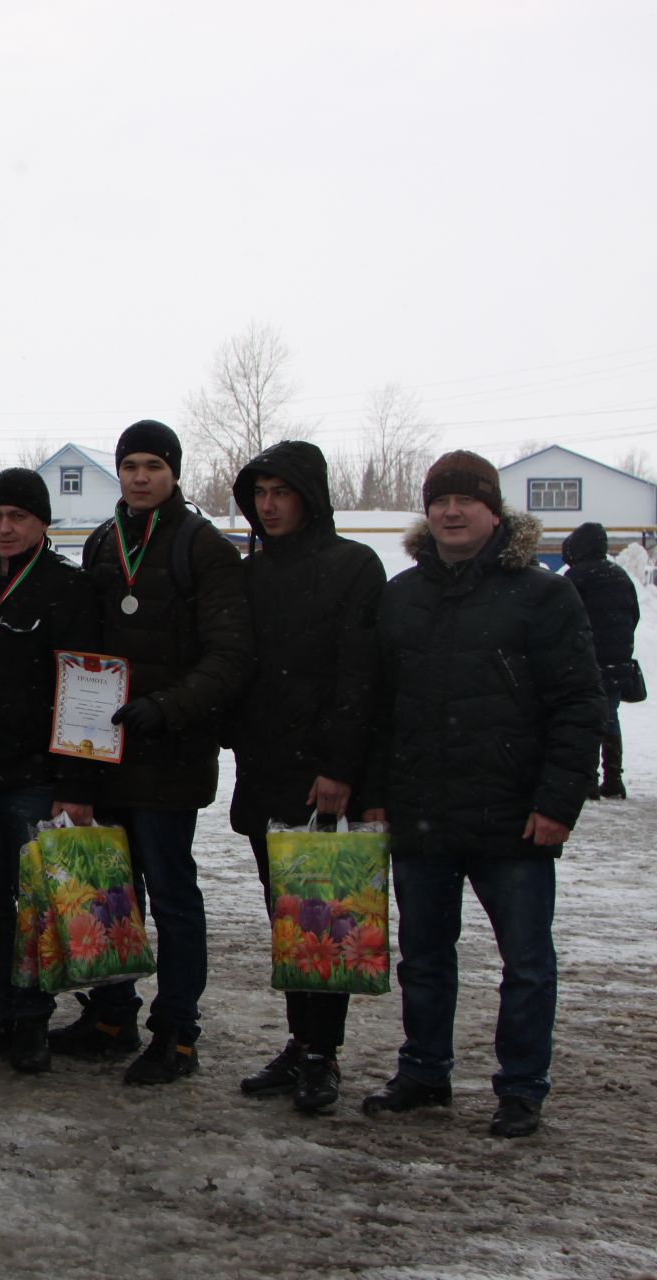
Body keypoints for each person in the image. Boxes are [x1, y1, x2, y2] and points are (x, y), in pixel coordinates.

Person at [360, 451, 604, 1139]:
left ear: (494, 511)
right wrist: (378, 791)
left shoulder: (544, 594)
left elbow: (578, 705)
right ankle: (424, 1070)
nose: (452, 512)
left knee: (525, 963)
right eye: (440, 500)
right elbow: (379, 707)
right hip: (422, 812)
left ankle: (521, 1086)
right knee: (425, 959)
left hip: (514, 817)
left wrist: (558, 803)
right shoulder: (402, 595)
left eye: (467, 500)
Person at [59, 420, 252, 1085]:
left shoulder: (204, 549)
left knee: (171, 896)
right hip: (105, 749)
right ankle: (112, 1013)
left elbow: (228, 657)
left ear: (173, 472)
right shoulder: (103, 544)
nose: (140, 477)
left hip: (169, 753)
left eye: (153, 466)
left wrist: (166, 708)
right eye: (130, 465)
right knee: (114, 894)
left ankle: (177, 1030)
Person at [226, 442, 386, 1114]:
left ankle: (324, 1054)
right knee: (287, 918)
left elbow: (361, 675)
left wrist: (340, 768)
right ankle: (300, 1042)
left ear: (309, 496)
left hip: (321, 775)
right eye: (260, 492)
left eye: (281, 491)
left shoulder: (353, 566)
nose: (268, 504)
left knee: (324, 920)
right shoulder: (251, 572)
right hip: (265, 770)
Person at [0, 468, 101, 1073]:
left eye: (18, 518)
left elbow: (88, 690)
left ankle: (32, 1019)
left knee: (36, 903)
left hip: (36, 775)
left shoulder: (67, 587)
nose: (4, 528)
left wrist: (76, 783)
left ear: (41, 524)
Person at [560, 521, 639, 799]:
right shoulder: (620, 575)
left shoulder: (576, 577)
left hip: (586, 661)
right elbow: (635, 614)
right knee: (610, 718)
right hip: (618, 662)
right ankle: (613, 778)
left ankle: (589, 781)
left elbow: (563, 619)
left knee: (585, 719)